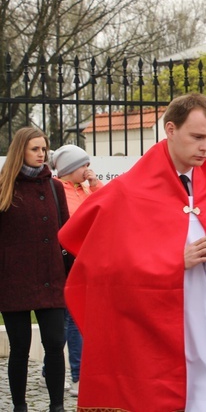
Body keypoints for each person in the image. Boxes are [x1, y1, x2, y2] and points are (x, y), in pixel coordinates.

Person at [59, 93, 206, 411]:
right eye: (197, 137)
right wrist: (173, 262)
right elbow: (102, 263)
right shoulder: (130, 189)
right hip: (159, 324)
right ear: (170, 129)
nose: (205, 147)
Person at [0, 127, 69, 412]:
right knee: (19, 349)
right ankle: (19, 406)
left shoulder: (55, 187)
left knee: (55, 343)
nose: (41, 154)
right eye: (35, 149)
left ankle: (57, 406)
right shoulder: (4, 187)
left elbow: (66, 232)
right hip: (13, 280)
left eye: (44, 149)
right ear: (21, 151)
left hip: (51, 278)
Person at [49, 144, 103, 398]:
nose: (87, 169)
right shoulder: (60, 191)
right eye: (83, 165)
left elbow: (105, 208)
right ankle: (77, 376)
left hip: (85, 259)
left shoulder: (83, 189)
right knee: (69, 319)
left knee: (70, 318)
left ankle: (51, 370)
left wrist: (94, 185)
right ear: (71, 168)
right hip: (66, 261)